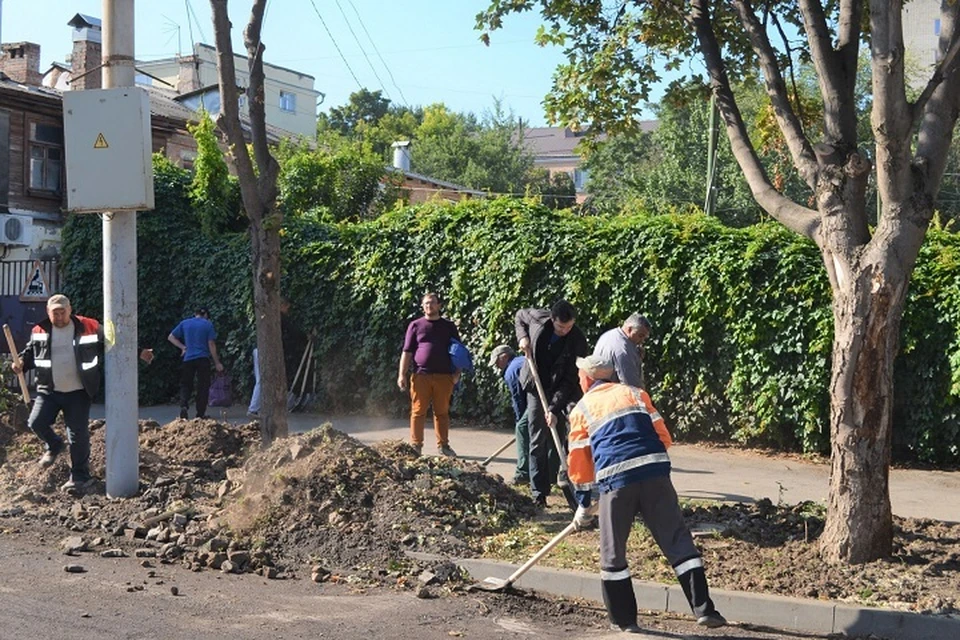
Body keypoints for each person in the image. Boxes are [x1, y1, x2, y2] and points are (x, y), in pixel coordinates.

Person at [567, 354, 727, 633]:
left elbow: (580, 466)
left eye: (580, 373)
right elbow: (664, 437)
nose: (578, 377)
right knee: (677, 540)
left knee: (613, 551)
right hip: (655, 474)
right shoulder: (636, 393)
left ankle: (625, 620)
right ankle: (704, 608)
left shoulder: (582, 408)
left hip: (617, 481)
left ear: (589, 378)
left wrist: (583, 505)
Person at [13, 294, 104, 494]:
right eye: (56, 313)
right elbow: (30, 353)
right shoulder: (39, 330)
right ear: (48, 312)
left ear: (70, 310)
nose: (60, 316)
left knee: (78, 435)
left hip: (79, 392)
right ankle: (54, 444)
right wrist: (20, 363)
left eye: (63, 312)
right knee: (36, 422)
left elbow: (112, 341)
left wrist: (138, 351)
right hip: (49, 390)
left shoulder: (87, 326)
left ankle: (80, 477)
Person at [514, 299, 588, 507]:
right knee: (537, 436)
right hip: (536, 382)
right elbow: (520, 314)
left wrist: (554, 408)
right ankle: (538, 493)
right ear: (553, 319)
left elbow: (570, 379)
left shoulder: (577, 341)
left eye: (569, 327)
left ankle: (562, 478)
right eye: (560, 327)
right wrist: (523, 338)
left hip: (561, 385)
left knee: (564, 429)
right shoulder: (538, 319)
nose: (564, 331)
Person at [397, 292, 461, 457]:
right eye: (426, 303)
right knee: (418, 412)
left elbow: (458, 352)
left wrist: (457, 373)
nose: (429, 306)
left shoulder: (449, 326)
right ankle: (416, 446)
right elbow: (407, 351)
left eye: (432, 303)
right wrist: (401, 374)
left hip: (444, 376)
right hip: (421, 376)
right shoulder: (415, 325)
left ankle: (444, 446)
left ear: (439, 305)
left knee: (442, 412)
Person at [168, 307, 223, 420]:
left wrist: (183, 347)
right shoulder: (208, 324)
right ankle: (200, 414)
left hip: (188, 359)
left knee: (186, 384)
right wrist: (217, 362)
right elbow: (211, 344)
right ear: (206, 315)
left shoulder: (185, 323)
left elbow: (171, 337)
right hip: (203, 359)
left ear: (195, 314)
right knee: (203, 386)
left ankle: (184, 406)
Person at [490, 344, 529, 485]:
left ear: (505, 357)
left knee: (522, 429)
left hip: (537, 401)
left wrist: (520, 421)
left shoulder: (511, 370)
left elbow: (518, 398)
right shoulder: (521, 361)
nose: (497, 366)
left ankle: (523, 474)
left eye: (497, 362)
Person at [593, 313, 651, 389]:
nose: (642, 341)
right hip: (612, 396)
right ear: (630, 329)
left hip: (596, 392)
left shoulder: (608, 335)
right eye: (640, 336)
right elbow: (632, 387)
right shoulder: (624, 351)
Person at [247, 347, 261, 417]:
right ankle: (253, 408)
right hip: (261, 350)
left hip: (259, 349)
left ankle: (255, 408)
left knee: (260, 381)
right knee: (260, 382)